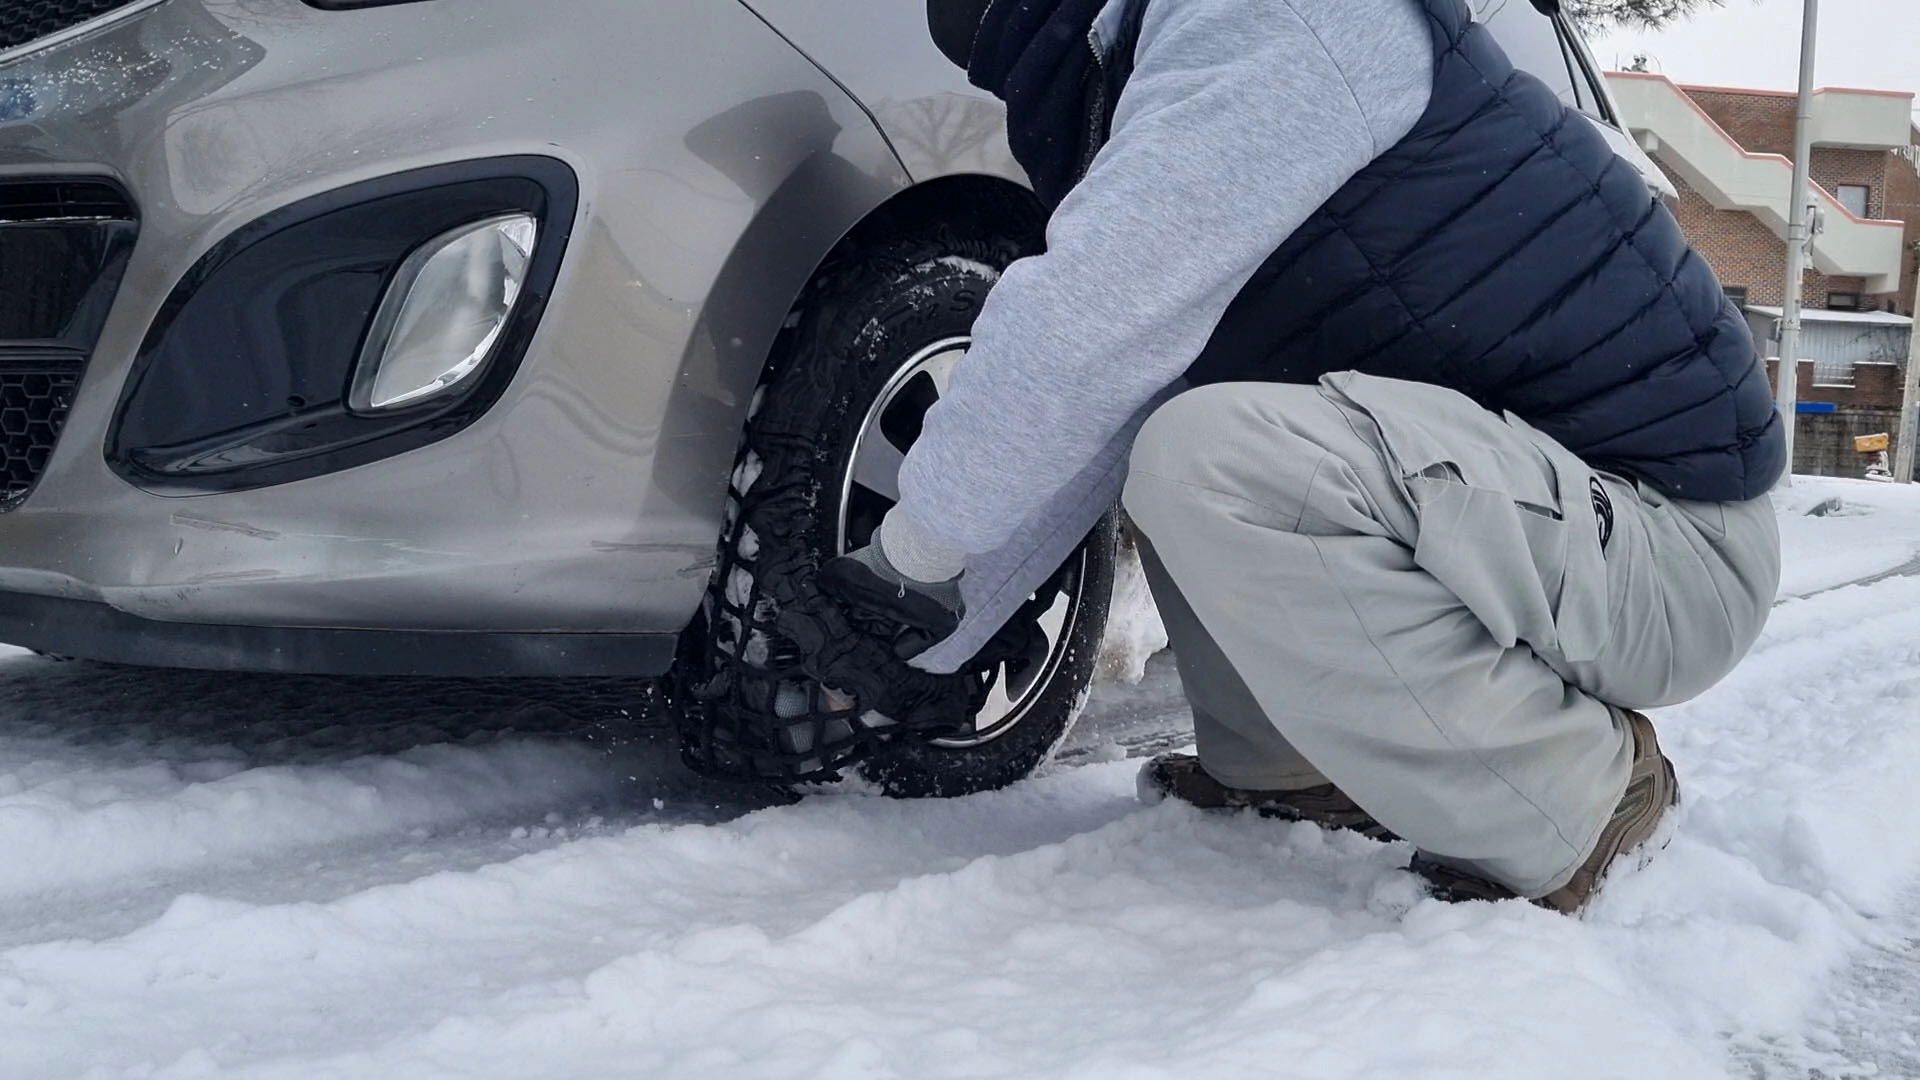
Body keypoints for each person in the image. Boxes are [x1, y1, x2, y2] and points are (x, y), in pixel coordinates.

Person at [818, 0, 1784, 915]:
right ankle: (1291, 772)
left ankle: (1578, 796)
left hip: (1671, 545)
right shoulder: (1180, 62)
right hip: (1556, 522)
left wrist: (909, 558)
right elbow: (1094, 406)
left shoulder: (1294, 25)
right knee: (1181, 422)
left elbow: (1075, 334)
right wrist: (922, 629)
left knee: (1209, 459)